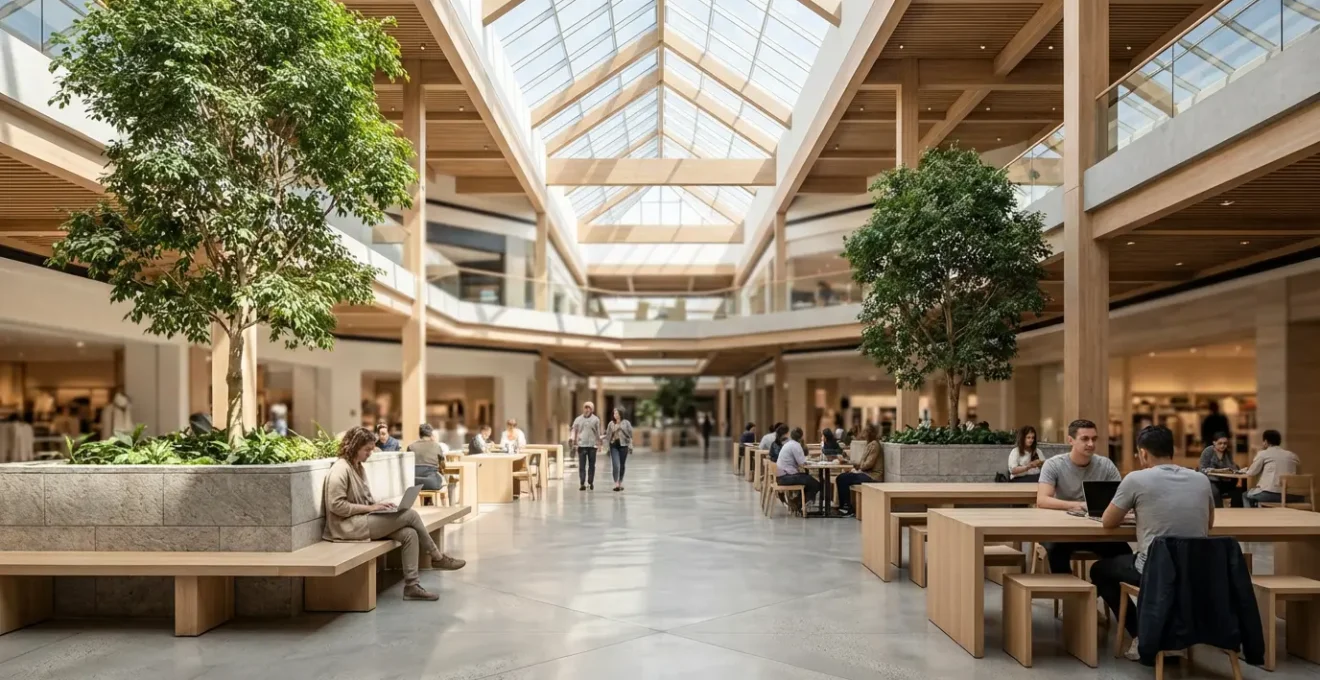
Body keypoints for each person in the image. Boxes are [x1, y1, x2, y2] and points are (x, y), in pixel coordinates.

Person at [1090, 425, 1216, 661]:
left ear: (1143, 453)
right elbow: (1209, 524)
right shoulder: (1201, 479)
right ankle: (1174, 634)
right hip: (1196, 569)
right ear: (1172, 450)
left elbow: (1108, 521)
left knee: (1100, 570)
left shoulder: (1135, 479)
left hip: (1156, 569)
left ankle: (1142, 635)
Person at [323, 426, 465, 601]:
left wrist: (379, 506)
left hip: (362, 520)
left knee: (409, 534)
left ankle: (412, 587)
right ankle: (437, 557)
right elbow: (336, 506)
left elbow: (363, 499)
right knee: (410, 515)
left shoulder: (358, 467)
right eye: (366, 449)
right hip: (347, 526)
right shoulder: (340, 469)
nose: (370, 454)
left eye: (371, 449)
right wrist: (371, 509)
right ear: (354, 446)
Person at [1036, 419, 1131, 575]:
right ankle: (1069, 590)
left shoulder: (1106, 465)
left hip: (1097, 531)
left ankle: (1106, 587)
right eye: (1085, 439)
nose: (1091, 444)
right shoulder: (1053, 465)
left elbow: (1120, 498)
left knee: (1123, 552)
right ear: (1070, 440)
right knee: (1056, 551)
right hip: (1063, 531)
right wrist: (1079, 505)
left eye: (1094, 439)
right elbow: (1042, 500)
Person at [1243, 429, 1302, 507]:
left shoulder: (1263, 454)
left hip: (1272, 494)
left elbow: (1251, 472)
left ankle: (1253, 515)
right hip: (1292, 495)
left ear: (1265, 441)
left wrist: (1244, 470)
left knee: (1245, 495)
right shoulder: (1293, 455)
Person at [837, 424, 883, 516]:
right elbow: (863, 463)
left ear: (870, 433)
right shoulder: (870, 444)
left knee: (843, 479)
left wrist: (859, 467)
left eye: (865, 432)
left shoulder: (874, 445)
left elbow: (869, 464)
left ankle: (847, 508)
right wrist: (851, 462)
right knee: (841, 477)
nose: (863, 434)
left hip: (872, 476)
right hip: (866, 473)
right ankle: (844, 506)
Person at [776, 427, 821, 514]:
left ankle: (798, 502)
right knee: (815, 484)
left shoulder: (788, 444)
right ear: (801, 437)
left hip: (781, 476)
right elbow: (802, 463)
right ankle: (798, 502)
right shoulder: (796, 445)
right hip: (786, 477)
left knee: (808, 479)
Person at [1199, 432, 1243, 507]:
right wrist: (1212, 472)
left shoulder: (1227, 452)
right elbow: (1202, 468)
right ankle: (1218, 510)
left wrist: (1234, 469)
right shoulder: (1208, 451)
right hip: (1211, 480)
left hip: (1224, 480)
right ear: (1214, 442)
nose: (1223, 445)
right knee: (1215, 491)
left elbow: (1232, 466)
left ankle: (1235, 509)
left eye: (1225, 443)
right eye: (1220, 443)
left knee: (1238, 491)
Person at [571, 401, 603, 491]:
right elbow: (574, 430)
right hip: (581, 445)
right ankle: (582, 483)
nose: (587, 410)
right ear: (583, 409)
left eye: (589, 408)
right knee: (582, 466)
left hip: (592, 446)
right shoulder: (578, 419)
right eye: (586, 407)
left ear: (592, 410)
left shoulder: (596, 420)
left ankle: (590, 482)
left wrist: (599, 444)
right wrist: (573, 441)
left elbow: (598, 433)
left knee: (591, 465)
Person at [409, 423, 446, 491]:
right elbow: (442, 466)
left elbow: (407, 466)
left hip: (413, 483)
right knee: (443, 481)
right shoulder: (437, 446)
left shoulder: (411, 447)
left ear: (420, 434)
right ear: (431, 434)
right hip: (432, 483)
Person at [605, 408, 633, 492]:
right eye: (614, 413)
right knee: (615, 465)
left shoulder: (626, 423)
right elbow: (608, 436)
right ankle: (616, 483)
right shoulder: (611, 424)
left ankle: (620, 481)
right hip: (613, 445)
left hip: (623, 445)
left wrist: (621, 428)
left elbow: (630, 435)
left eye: (617, 413)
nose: (615, 415)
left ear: (620, 414)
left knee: (622, 465)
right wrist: (607, 447)